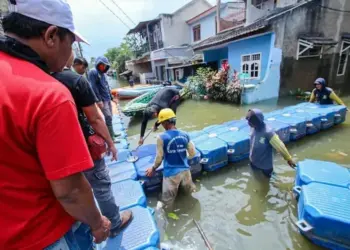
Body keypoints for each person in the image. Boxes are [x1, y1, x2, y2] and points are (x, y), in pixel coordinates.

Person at [0, 1, 111, 249]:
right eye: (70, 43)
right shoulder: (47, 95)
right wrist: (97, 223)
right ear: (51, 36)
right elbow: (70, 190)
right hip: (44, 234)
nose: (70, 53)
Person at [53, 52, 133, 238]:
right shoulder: (75, 80)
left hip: (60, 150)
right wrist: (111, 143)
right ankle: (114, 223)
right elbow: (95, 118)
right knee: (100, 184)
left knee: (73, 189)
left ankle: (86, 226)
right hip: (84, 145)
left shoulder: (40, 77)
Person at [145, 109, 196, 210]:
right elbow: (192, 153)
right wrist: (181, 155)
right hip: (186, 172)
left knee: (168, 202)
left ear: (166, 122)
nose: (162, 125)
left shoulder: (162, 138)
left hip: (171, 175)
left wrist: (153, 168)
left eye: (162, 123)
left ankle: (169, 220)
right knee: (189, 195)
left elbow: (159, 158)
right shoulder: (185, 134)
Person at [246, 109, 296, 177]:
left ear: (256, 122)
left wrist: (289, 159)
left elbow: (280, 146)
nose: (248, 123)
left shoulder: (268, 132)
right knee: (255, 178)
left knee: (267, 182)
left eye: (250, 122)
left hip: (265, 167)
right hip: (253, 162)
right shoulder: (253, 127)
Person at [88, 56, 117, 140]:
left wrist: (111, 97)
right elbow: (93, 87)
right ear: (98, 64)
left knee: (110, 116)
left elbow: (106, 86)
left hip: (107, 98)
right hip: (102, 100)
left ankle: (113, 134)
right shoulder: (93, 72)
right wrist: (98, 100)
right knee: (108, 116)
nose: (103, 67)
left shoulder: (103, 74)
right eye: (102, 65)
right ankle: (111, 137)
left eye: (104, 65)